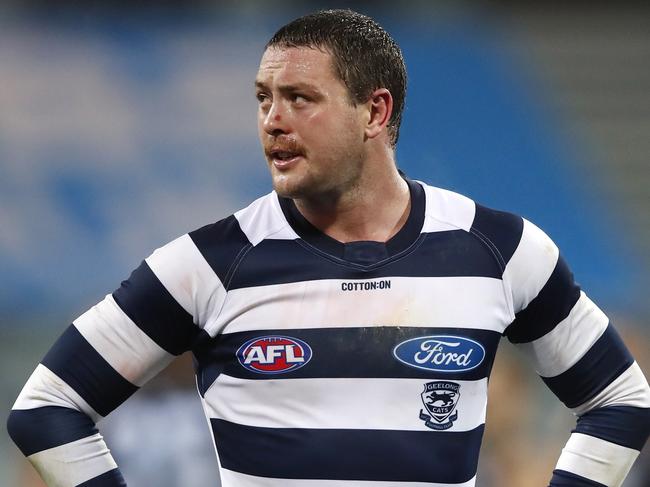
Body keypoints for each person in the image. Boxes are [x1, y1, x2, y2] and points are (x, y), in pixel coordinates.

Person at [7, 9, 650, 487]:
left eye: (299, 99)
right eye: (263, 99)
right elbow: (46, 409)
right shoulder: (208, 262)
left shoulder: (499, 248)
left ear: (374, 112)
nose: (272, 120)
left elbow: (620, 401)